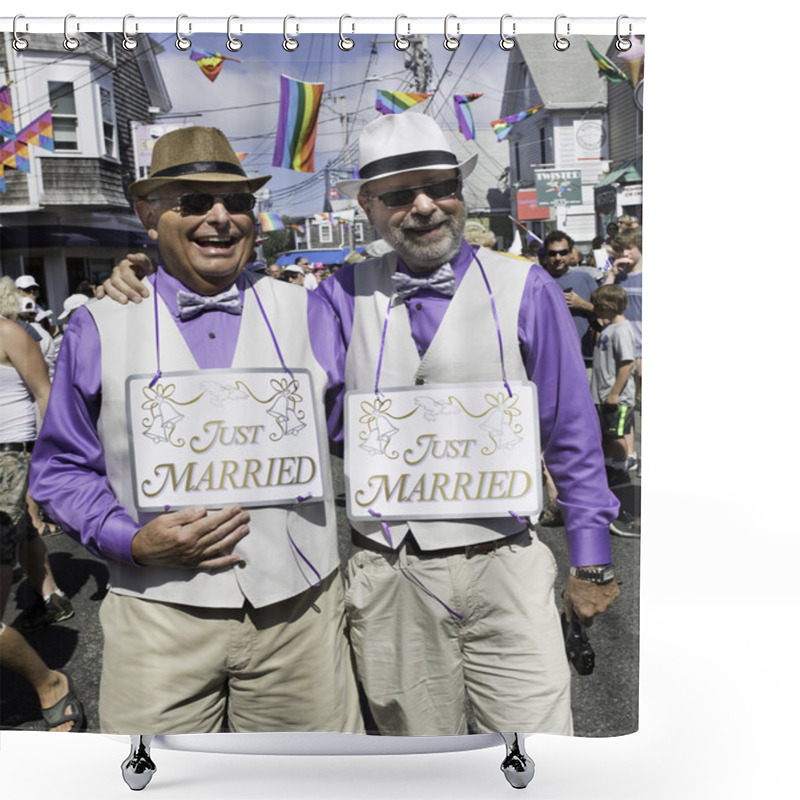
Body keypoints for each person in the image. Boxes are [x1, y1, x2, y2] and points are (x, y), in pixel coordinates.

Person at [29, 126, 362, 735]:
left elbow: (362, 427)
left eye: (236, 202)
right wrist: (127, 540)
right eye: (193, 203)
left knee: (312, 783)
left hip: (298, 615)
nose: (220, 218)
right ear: (149, 218)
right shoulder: (100, 323)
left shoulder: (310, 308)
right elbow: (59, 468)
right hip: (158, 619)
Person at [317, 113, 621, 737]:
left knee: (533, 753)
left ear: (461, 191)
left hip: (506, 562)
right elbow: (309, 412)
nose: (425, 207)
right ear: (370, 208)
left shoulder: (526, 285)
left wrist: (591, 560)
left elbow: (572, 432)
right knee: (419, 762)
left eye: (441, 187)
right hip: (392, 572)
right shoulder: (336, 295)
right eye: (401, 194)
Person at [1, 280, 84, 732]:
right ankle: (50, 596)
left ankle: (50, 682)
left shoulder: (11, 333)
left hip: (11, 457)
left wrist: (48, 465)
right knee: (27, 534)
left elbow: (45, 394)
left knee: (23, 530)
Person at [589, 285, 636, 492]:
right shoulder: (609, 328)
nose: (596, 308)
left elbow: (627, 363)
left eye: (599, 305)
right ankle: (608, 467)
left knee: (617, 435)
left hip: (614, 396)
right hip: (601, 395)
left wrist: (615, 392)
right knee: (607, 434)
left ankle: (621, 471)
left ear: (609, 306)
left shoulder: (622, 330)